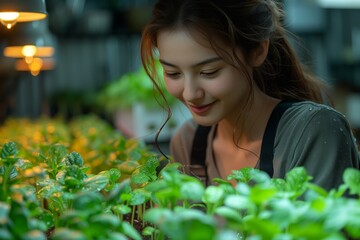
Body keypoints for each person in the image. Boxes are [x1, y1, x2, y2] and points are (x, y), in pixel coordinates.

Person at [140, 0, 360, 191]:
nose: (190, 93)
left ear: (257, 51)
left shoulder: (313, 132)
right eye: (173, 73)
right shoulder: (188, 142)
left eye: (209, 72)